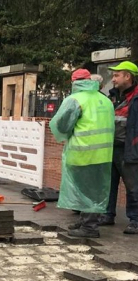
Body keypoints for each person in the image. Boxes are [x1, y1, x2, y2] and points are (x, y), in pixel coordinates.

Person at [49, 68, 115, 238]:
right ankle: (87, 221)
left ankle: (89, 227)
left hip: (82, 152)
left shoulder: (75, 99)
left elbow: (62, 126)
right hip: (104, 154)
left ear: (74, 82)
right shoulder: (105, 100)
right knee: (95, 190)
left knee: (84, 190)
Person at [99, 61, 138, 234]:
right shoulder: (113, 96)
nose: (113, 79)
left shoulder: (135, 98)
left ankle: (135, 219)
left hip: (129, 148)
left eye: (117, 75)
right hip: (111, 147)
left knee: (133, 185)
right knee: (109, 183)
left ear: (127, 76)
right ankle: (108, 215)